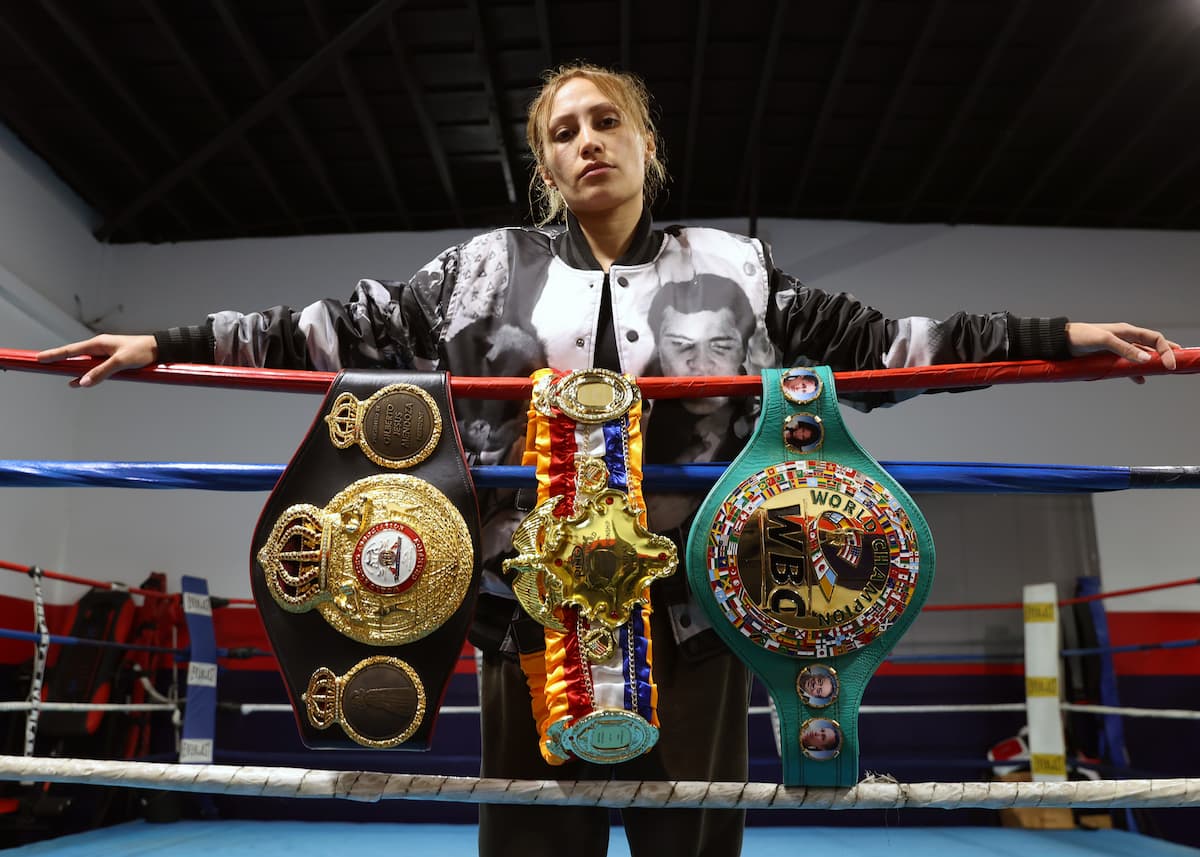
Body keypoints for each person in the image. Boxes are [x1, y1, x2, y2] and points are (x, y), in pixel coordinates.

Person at [37, 63, 1181, 857]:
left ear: (647, 143)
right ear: (544, 164)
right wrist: (158, 342)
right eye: (562, 132)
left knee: (693, 846)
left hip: (698, 623)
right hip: (522, 622)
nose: (587, 142)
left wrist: (1061, 343)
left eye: (605, 122)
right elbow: (325, 330)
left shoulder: (739, 270)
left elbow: (892, 348)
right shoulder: (483, 271)